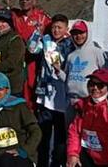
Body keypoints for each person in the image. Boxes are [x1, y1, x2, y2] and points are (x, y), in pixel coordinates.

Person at [28, 14, 75, 167]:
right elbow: (32, 49)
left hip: (62, 97)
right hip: (45, 96)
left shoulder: (70, 45)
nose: (56, 30)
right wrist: (38, 33)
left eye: (59, 28)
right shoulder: (46, 40)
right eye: (54, 27)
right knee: (44, 135)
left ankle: (57, 163)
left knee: (61, 138)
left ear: (66, 29)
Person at [0, 73, 42, 167]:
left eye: (0, 89)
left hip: (20, 155)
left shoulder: (19, 106)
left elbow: (36, 131)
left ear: (7, 90)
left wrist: (25, 150)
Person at [11, 0, 52, 111]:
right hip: (18, 61)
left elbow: (57, 31)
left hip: (34, 62)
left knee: (32, 89)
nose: (24, 2)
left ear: (33, 1)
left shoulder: (42, 18)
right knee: (18, 92)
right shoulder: (14, 15)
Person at [61, 20, 107, 125]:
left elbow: (105, 75)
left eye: (81, 33)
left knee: (87, 133)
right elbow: (67, 78)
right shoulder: (71, 56)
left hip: (88, 101)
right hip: (71, 102)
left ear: (88, 33)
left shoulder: (97, 52)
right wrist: (58, 71)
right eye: (75, 34)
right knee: (71, 134)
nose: (78, 36)